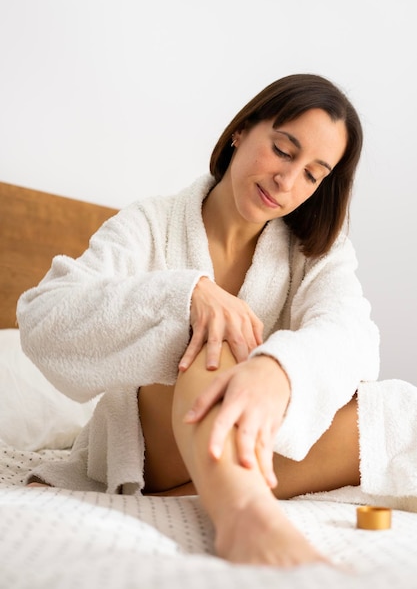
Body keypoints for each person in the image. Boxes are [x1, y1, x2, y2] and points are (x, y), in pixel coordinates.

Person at [18, 73, 383, 567]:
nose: (288, 181)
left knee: (395, 410)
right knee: (213, 337)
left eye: (313, 174)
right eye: (282, 149)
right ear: (241, 130)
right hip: (156, 442)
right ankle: (243, 513)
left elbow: (352, 336)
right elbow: (44, 316)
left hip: (251, 430)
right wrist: (185, 297)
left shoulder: (315, 251)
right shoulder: (150, 223)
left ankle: (198, 489)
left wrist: (276, 370)